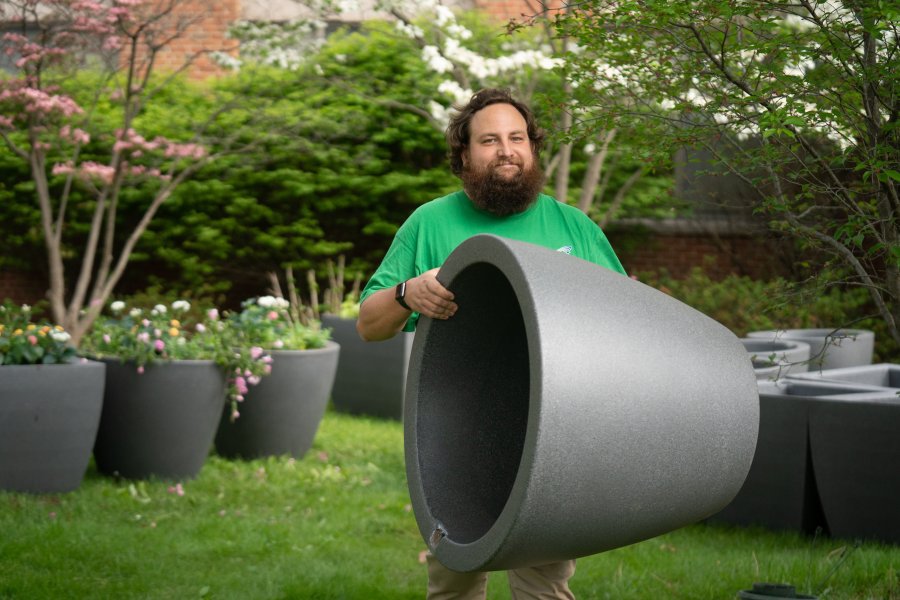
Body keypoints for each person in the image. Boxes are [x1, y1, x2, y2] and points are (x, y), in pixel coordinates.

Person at [356, 88, 626, 599]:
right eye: (489, 140)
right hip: (453, 431)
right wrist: (407, 292)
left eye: (516, 138)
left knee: (543, 586)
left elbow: (626, 328)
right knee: (454, 582)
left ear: (532, 148)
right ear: (464, 155)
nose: (506, 150)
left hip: (554, 430)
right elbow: (370, 324)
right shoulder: (429, 223)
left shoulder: (575, 228)